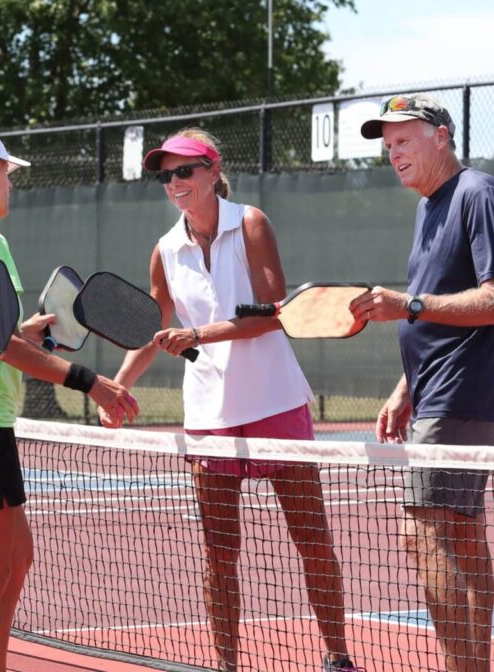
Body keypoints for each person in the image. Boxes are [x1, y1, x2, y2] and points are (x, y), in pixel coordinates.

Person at [99, 129, 362, 672]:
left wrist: (199, 336)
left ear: (213, 171)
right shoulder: (165, 250)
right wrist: (118, 385)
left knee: (312, 540)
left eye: (185, 171)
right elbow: (156, 328)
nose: (174, 183)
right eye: (166, 174)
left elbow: (271, 313)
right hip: (209, 417)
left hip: (274, 405)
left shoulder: (250, 223)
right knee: (220, 555)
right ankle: (225, 666)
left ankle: (338, 658)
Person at [0, 126, 139, 672]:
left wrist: (21, 331)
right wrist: (93, 381)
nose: (11, 185)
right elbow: (3, 345)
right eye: (7, 174)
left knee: (16, 563)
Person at [350, 94, 494, 672]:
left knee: (422, 532)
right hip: (437, 390)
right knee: (462, 533)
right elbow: (432, 317)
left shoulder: (478, 194)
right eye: (388, 145)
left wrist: (409, 303)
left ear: (441, 136)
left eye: (405, 140)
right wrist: (406, 388)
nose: (394, 153)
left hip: (462, 389)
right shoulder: (428, 208)